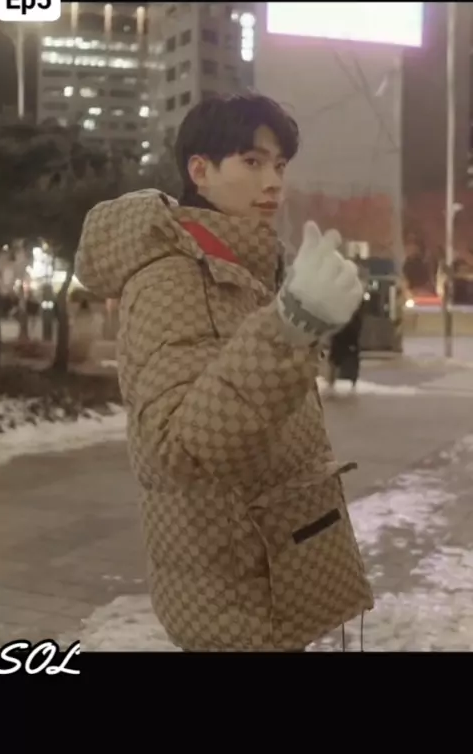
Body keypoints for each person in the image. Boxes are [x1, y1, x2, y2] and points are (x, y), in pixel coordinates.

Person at [75, 92, 373, 652]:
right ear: (200, 171)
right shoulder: (170, 278)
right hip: (236, 583)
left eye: (279, 165)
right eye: (252, 161)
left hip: (271, 564)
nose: (273, 182)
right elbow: (177, 446)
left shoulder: (237, 266)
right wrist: (290, 327)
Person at [326, 299, 365, 395]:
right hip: (344, 339)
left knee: (335, 360)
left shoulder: (347, 314)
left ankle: (333, 382)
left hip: (344, 338)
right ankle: (334, 381)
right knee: (336, 360)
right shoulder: (353, 314)